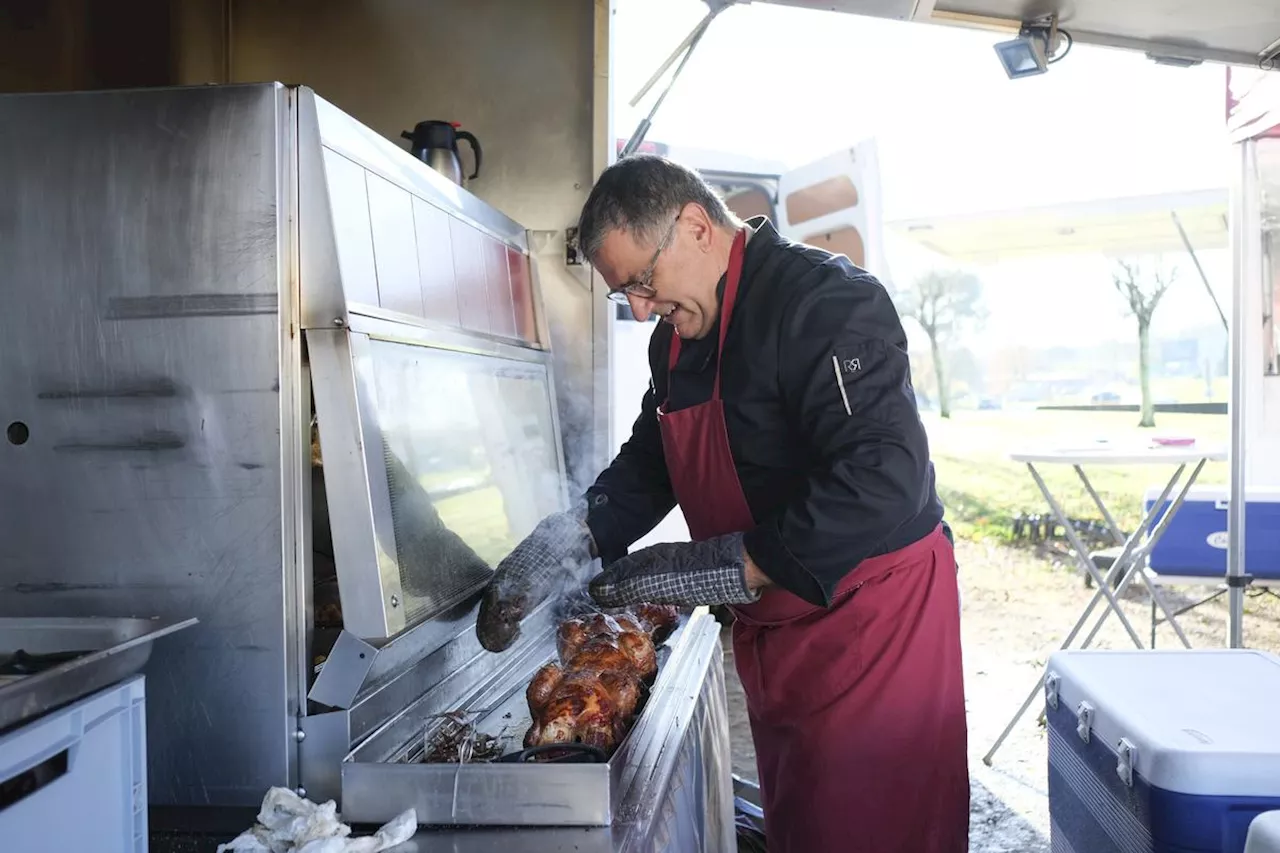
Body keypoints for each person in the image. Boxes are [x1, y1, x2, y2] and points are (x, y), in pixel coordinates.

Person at [480, 154, 969, 852]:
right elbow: (652, 462)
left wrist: (717, 565)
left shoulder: (826, 303)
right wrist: (575, 532)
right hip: (777, 633)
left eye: (643, 282)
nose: (644, 309)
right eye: (627, 296)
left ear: (696, 226)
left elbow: (883, 478)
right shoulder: (675, 342)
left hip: (873, 629)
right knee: (803, 825)